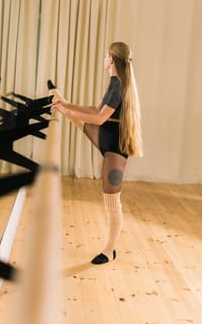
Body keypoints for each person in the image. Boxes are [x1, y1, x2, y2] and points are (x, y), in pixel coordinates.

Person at [52, 41, 143, 264]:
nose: (104, 59)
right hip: (104, 136)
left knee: (112, 201)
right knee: (73, 117)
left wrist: (67, 109)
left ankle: (110, 250)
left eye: (105, 56)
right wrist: (68, 106)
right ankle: (62, 104)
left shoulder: (118, 85)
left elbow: (99, 118)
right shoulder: (115, 83)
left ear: (111, 60)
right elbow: (96, 110)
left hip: (115, 148)